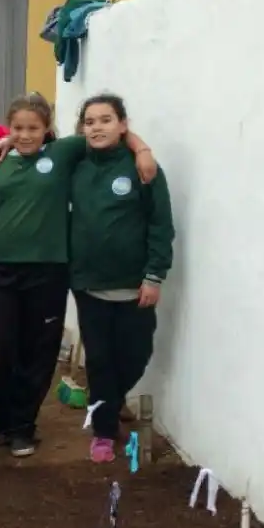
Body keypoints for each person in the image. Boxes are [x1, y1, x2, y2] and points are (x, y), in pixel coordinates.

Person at [0, 94, 158, 458]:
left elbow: (109, 132)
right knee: (0, 348)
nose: (25, 135)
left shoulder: (62, 153)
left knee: (38, 352)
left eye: (33, 128)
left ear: (47, 129)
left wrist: (142, 149)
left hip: (48, 270)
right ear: (8, 128)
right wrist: (5, 141)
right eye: (17, 128)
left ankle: (22, 427)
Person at [69, 94, 175, 463]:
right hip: (88, 285)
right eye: (90, 121)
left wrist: (154, 275)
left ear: (123, 124)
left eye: (106, 120)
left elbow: (160, 224)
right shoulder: (76, 164)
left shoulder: (143, 168)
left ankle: (110, 403)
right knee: (99, 360)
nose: (97, 127)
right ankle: (103, 431)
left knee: (135, 356)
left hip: (135, 285)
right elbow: (34, 141)